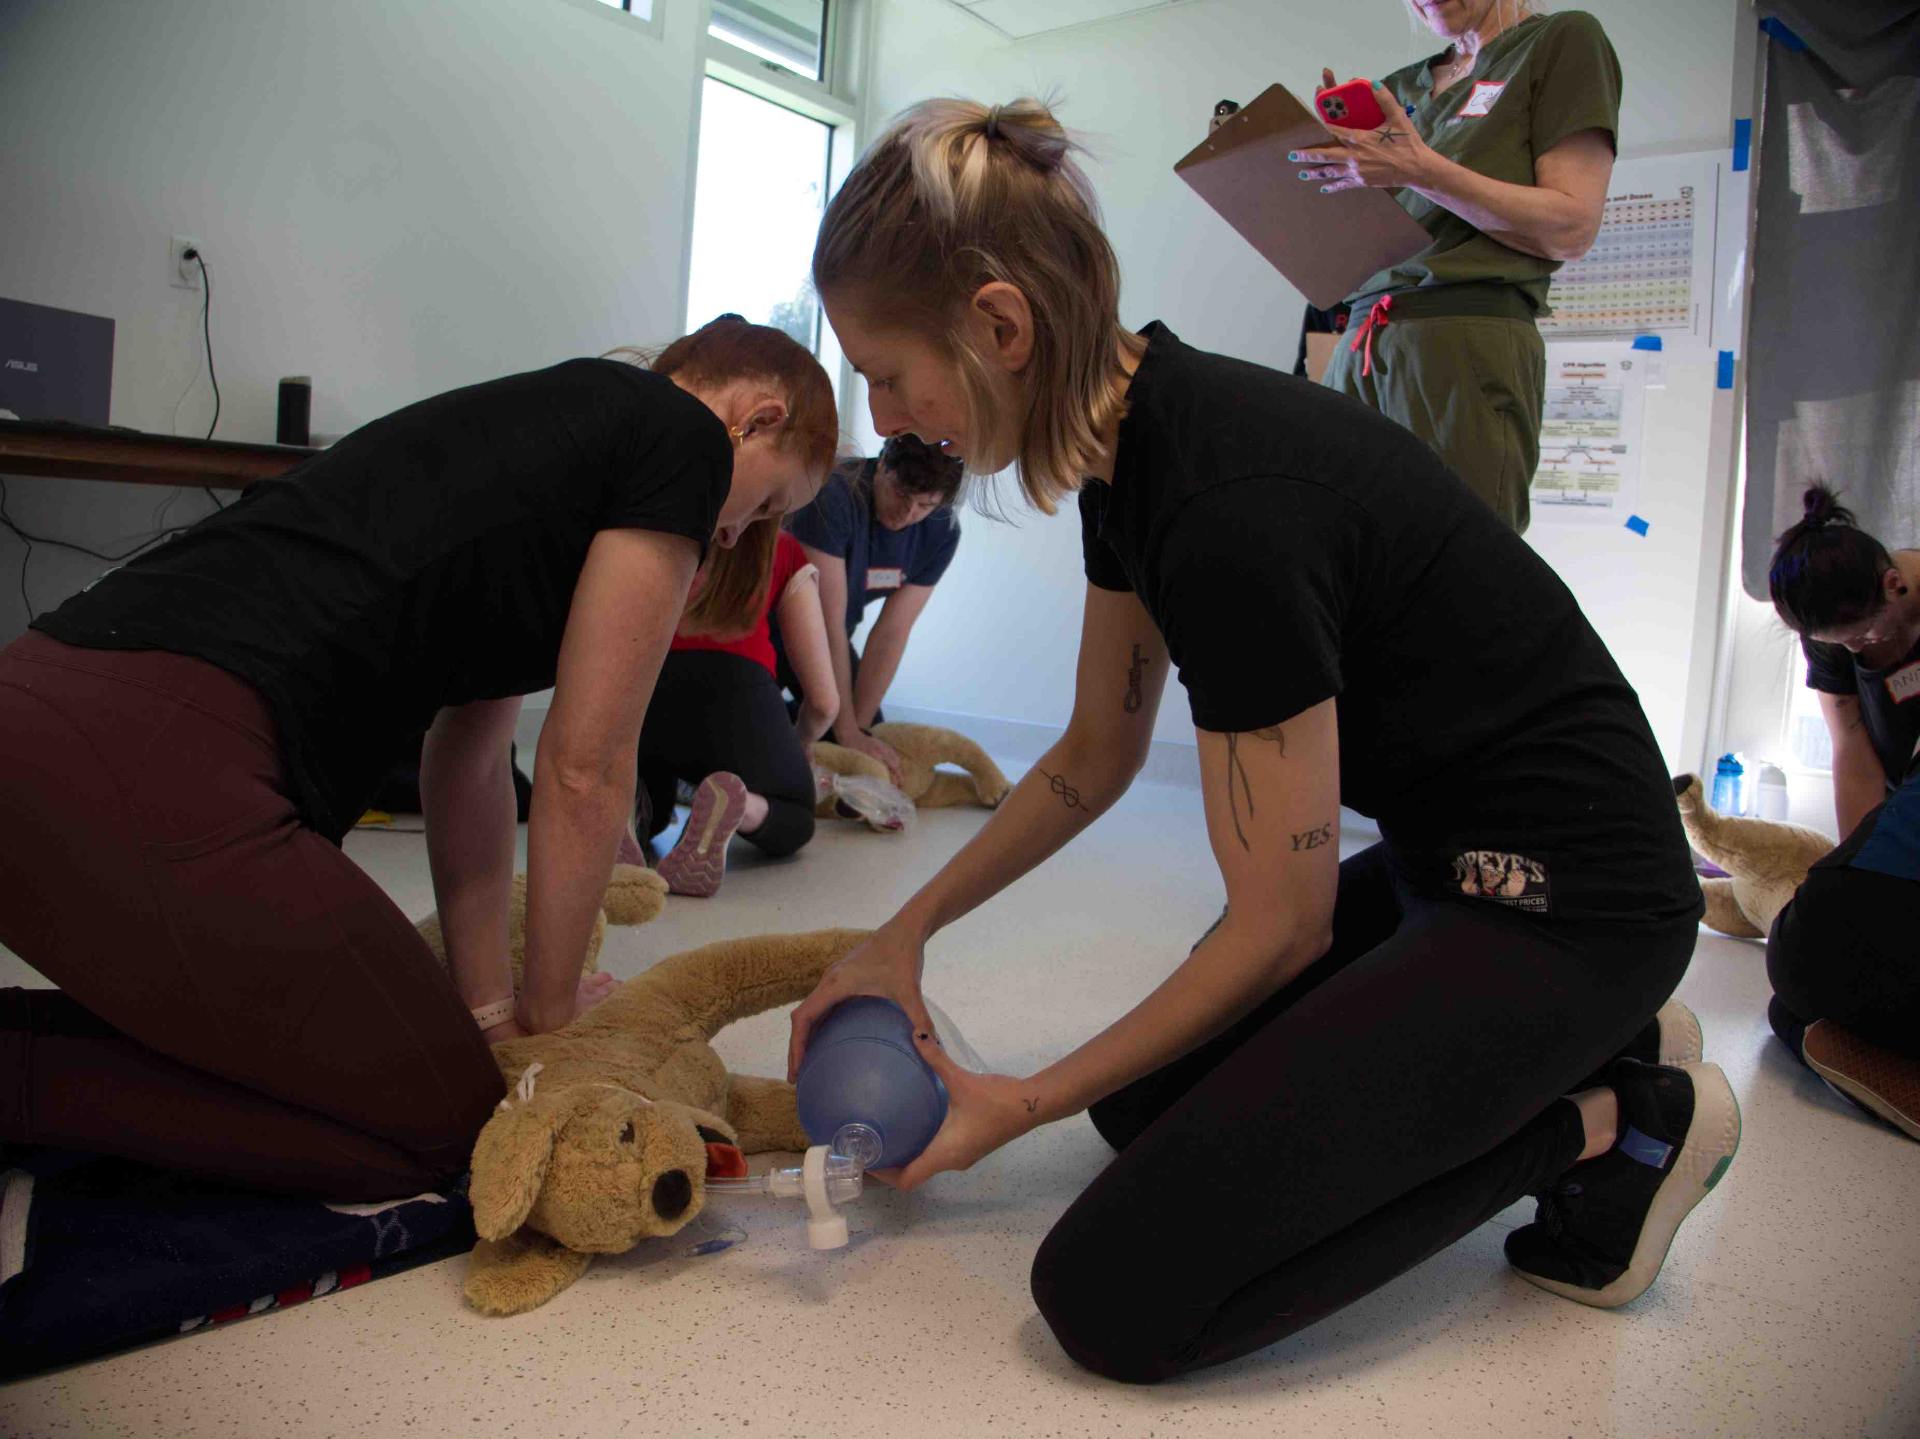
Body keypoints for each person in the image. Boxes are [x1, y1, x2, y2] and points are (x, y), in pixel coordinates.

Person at [787, 97, 1733, 1384]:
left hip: (1574, 910)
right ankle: (1584, 1044)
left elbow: (1279, 924)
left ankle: (1617, 1114)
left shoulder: (1228, 507)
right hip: (1441, 873)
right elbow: (1095, 753)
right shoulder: (1131, 446)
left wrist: (1016, 1101)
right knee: (1136, 1105)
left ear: (1001, 327)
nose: (888, 414)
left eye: (888, 372)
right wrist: (905, 931)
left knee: (1113, 1296)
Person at [0, 316, 836, 1200]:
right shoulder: (686, 438)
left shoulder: (558, 436)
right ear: (757, 417)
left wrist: (496, 1017)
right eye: (766, 504)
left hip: (51, 709)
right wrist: (555, 1021)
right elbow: (585, 769)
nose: (738, 534)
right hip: (158, 757)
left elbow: (469, 760)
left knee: (425, 1071)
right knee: (446, 1127)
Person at [1288, 1, 1621, 532]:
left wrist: (1420, 171)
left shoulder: (1559, 41)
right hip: (1361, 342)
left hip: (1460, 335)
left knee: (1457, 559)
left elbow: (1571, 227)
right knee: (1339, 548)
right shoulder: (1398, 90)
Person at [1760, 484, 1920, 1138]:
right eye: (1841, 644)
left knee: (1800, 994)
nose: (1857, 651)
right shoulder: (1836, 629)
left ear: (1894, 585)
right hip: (1904, 809)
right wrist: (1849, 873)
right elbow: (1853, 746)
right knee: (1795, 1004)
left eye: (1865, 636)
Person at [633, 522, 839, 896]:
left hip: (646, 689)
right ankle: (739, 806)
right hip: (739, 697)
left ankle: (633, 812)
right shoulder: (781, 548)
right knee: (795, 818)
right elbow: (825, 702)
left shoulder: (654, 530)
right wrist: (800, 742)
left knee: (650, 797)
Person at [777, 433, 963, 782]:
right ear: (881, 467)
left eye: (924, 506)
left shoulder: (941, 531)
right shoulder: (834, 494)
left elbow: (892, 632)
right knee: (833, 728)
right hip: (774, 623)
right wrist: (847, 733)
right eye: (901, 495)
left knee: (869, 738)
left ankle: (779, 728)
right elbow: (826, 623)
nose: (908, 513)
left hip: (830, 633)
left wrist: (858, 731)